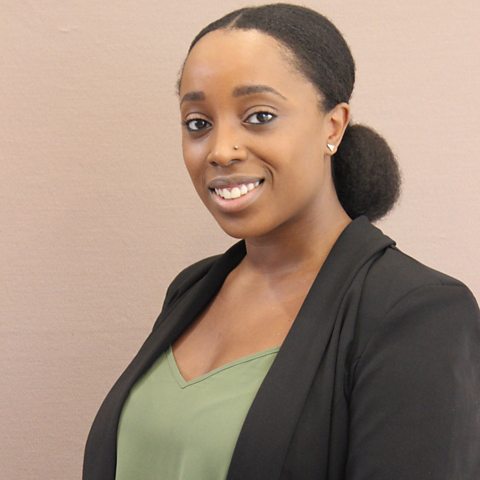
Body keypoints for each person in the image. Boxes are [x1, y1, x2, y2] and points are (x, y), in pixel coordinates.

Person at [82, 4, 480, 479]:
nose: (221, 150)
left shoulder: (415, 312)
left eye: (259, 115)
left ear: (332, 126)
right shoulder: (193, 290)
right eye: (198, 123)